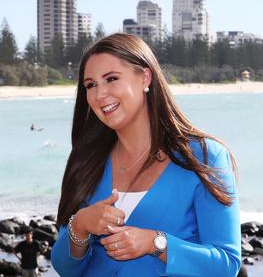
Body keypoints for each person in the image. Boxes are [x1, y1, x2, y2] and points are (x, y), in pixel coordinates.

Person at [51, 33, 241, 276]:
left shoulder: (204, 156)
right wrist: (80, 225)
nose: (100, 95)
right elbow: (65, 269)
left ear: (145, 77)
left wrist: (155, 243)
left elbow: (226, 265)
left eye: (111, 79)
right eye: (91, 85)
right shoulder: (86, 160)